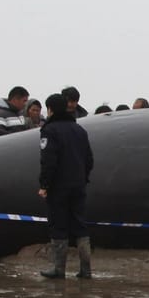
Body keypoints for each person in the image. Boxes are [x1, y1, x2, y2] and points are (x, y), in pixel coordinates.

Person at [36, 92, 95, 279]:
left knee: (58, 225)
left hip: (58, 186)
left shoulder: (49, 130)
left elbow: (49, 161)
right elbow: (89, 159)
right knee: (80, 225)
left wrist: (44, 185)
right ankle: (86, 270)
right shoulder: (79, 130)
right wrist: (83, 178)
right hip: (78, 185)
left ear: (51, 109)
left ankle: (58, 269)